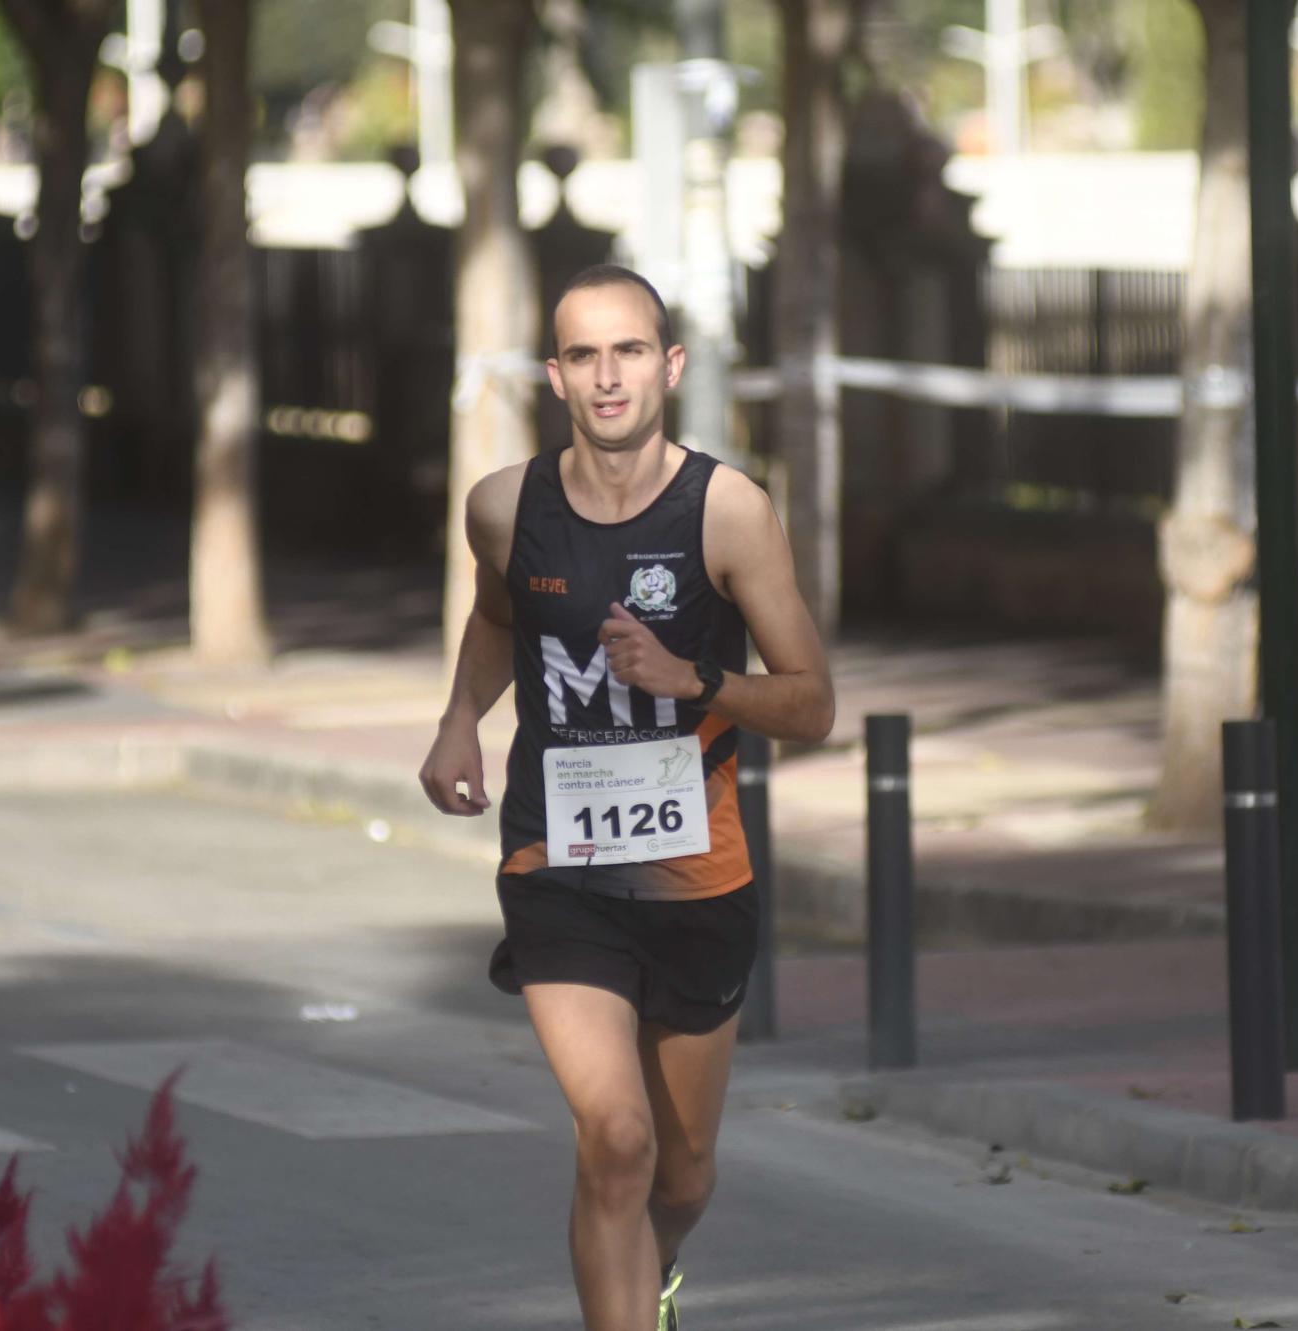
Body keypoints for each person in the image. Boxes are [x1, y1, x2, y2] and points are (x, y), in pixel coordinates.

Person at [419, 264, 835, 1330]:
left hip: (697, 869)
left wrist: (692, 679)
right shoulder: (505, 507)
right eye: (584, 355)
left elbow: (811, 702)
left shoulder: (728, 510)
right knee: (613, 1136)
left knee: (680, 1173)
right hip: (556, 858)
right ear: (555, 375)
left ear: (670, 365)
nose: (608, 377)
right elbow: (500, 620)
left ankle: (650, 1271)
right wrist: (459, 719)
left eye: (630, 351)